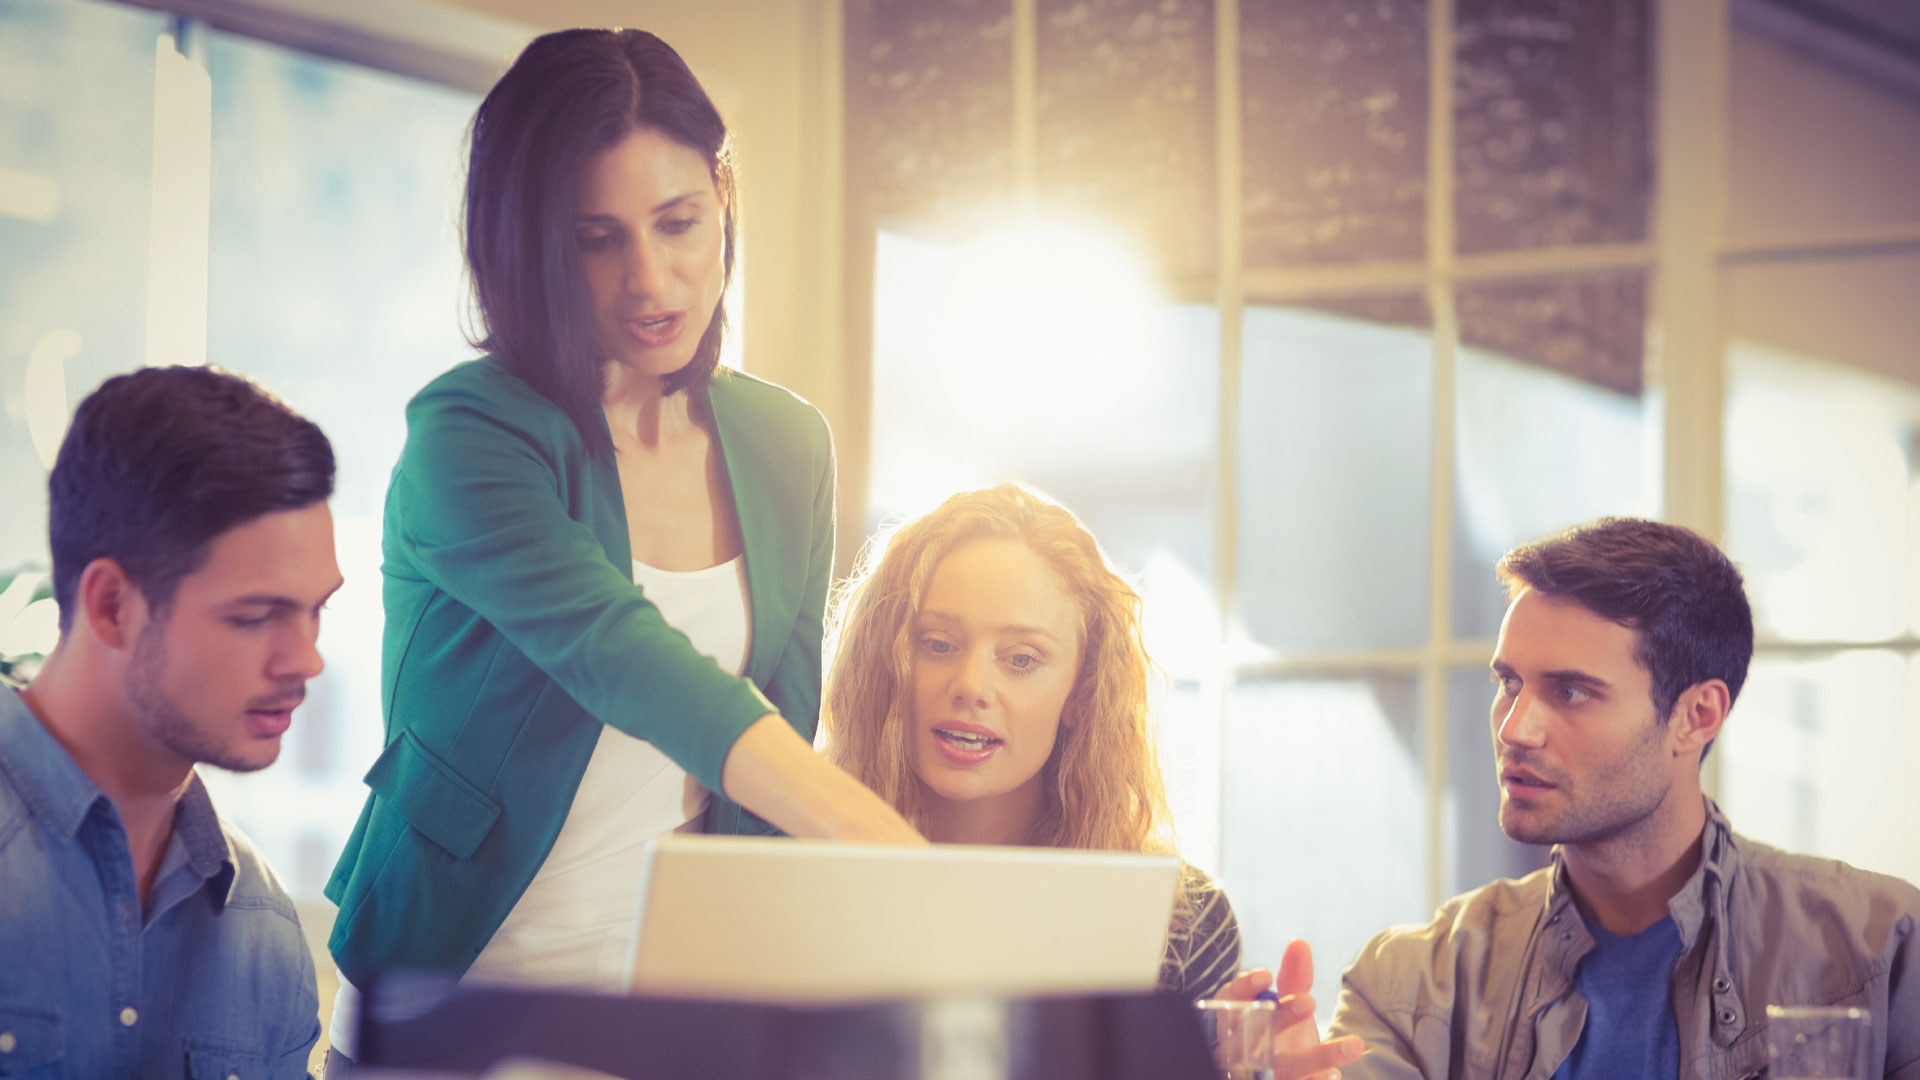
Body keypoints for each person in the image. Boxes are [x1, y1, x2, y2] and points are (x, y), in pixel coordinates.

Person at [323, 27, 921, 1068]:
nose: (651, 279)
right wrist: (887, 847)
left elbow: (781, 720)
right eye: (597, 239)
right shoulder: (470, 434)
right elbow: (621, 654)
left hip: (673, 1018)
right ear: (530, 247)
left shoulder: (787, 444)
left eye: (678, 222)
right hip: (452, 1008)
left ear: (724, 202)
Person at [1325, 517, 1920, 1079]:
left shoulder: (1882, 951)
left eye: (1570, 692)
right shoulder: (1410, 987)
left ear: (1696, 716)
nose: (1514, 729)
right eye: (1509, 682)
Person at [0, 366, 340, 1078]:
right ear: (112, 606)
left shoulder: (263, 931)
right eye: (256, 616)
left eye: (317, 611)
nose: (306, 659)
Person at [819, 483, 1240, 998]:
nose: (971, 686)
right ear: (884, 665)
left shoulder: (1182, 926)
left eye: (1021, 659)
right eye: (938, 644)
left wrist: (1241, 1050)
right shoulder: (790, 884)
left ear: (1082, 693)